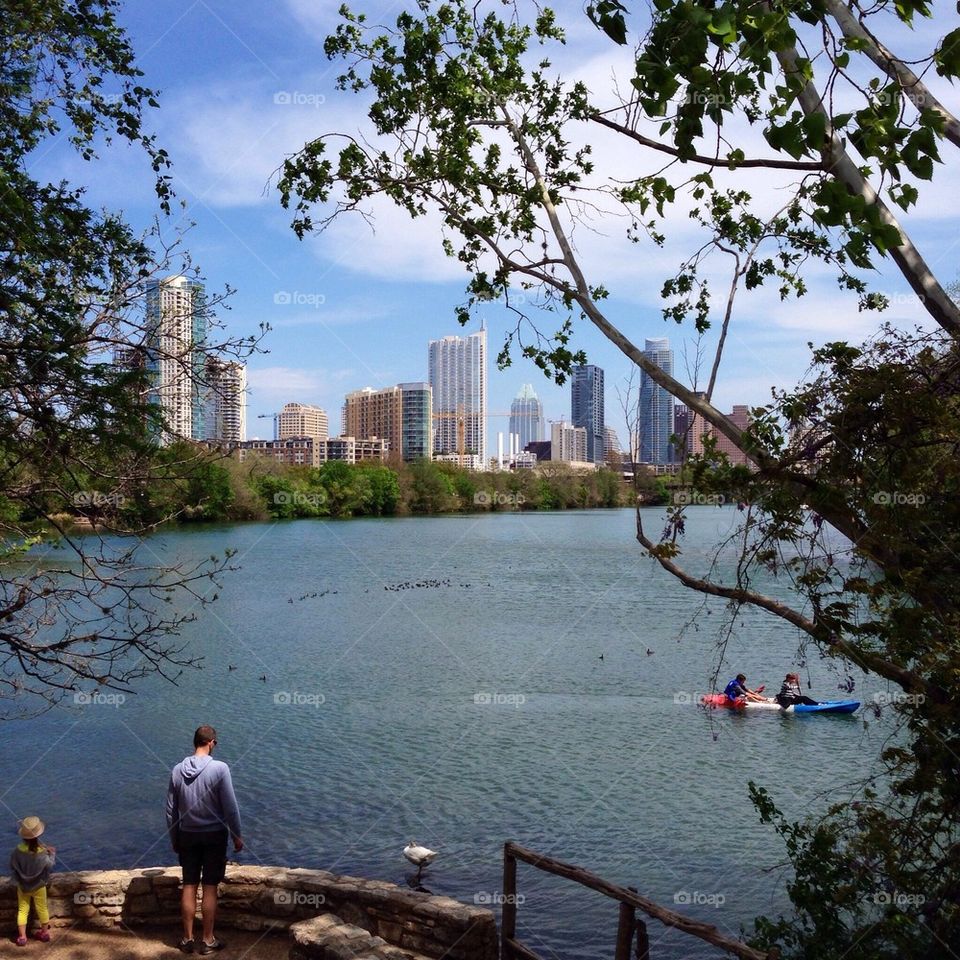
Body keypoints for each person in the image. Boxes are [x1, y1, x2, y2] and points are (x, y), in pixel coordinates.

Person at [166, 725, 244, 955]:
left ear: (195, 742)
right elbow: (230, 807)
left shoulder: (177, 770)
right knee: (210, 887)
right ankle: (208, 940)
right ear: (211, 743)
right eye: (215, 743)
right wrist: (236, 835)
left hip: (187, 835)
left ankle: (187, 938)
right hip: (214, 836)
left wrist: (174, 837)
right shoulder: (220, 769)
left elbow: (171, 810)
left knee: (189, 885)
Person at [10, 815, 56, 946]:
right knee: (42, 909)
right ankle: (45, 934)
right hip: (39, 886)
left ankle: (23, 937)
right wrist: (52, 854)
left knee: (22, 910)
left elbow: (13, 866)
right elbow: (49, 865)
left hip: (23, 886)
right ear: (38, 835)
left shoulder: (17, 851)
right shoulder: (42, 851)